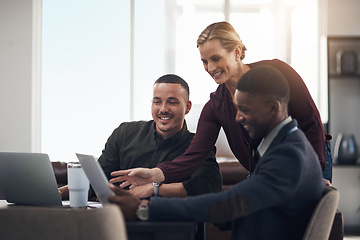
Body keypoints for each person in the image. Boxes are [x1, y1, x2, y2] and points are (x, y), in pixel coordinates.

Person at [108, 66, 327, 240]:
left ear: (273, 108)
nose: (238, 118)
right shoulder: (288, 144)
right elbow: (240, 202)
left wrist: (143, 209)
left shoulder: (287, 157)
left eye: (245, 110)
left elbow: (229, 204)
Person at [111, 21, 332, 189]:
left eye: (215, 58)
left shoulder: (278, 72)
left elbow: (310, 122)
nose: (209, 67)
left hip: (309, 155)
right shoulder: (215, 106)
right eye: (204, 61)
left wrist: (316, 172)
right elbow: (194, 156)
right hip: (265, 167)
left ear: (236, 52)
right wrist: (155, 174)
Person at [59, 74, 222, 199]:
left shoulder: (198, 145)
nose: (163, 109)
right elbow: (98, 180)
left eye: (172, 102)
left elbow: (209, 186)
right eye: (157, 101)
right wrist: (58, 193)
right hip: (119, 221)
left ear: (187, 107)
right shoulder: (125, 133)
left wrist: (154, 188)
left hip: (166, 224)